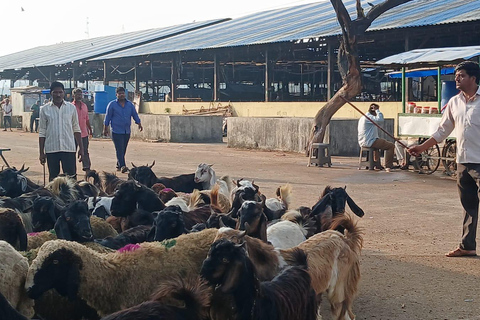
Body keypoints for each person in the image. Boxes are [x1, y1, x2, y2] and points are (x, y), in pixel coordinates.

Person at [409, 61, 480, 257]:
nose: (457, 78)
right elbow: (442, 131)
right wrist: (422, 148)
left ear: (473, 79)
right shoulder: (454, 102)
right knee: (469, 206)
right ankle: (467, 246)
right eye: (456, 75)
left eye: (462, 75)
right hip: (463, 162)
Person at [38, 82, 84, 181]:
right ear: (51, 93)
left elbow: (76, 128)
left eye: (60, 92)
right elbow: (42, 132)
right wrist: (41, 152)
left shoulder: (71, 108)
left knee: (71, 178)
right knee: (53, 179)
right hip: (51, 149)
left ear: (64, 93)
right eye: (55, 92)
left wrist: (81, 148)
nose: (58, 95)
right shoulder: (44, 109)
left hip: (69, 148)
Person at [103, 87, 143, 173]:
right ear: (116, 95)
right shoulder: (112, 105)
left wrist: (139, 123)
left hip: (126, 131)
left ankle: (119, 164)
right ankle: (122, 166)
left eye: (123, 93)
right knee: (119, 149)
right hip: (116, 131)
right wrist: (105, 129)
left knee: (123, 149)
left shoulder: (130, 105)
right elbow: (107, 117)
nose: (121, 95)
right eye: (119, 93)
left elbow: (134, 115)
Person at [357, 103, 395, 172]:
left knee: (378, 146)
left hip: (364, 141)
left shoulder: (363, 117)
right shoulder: (369, 117)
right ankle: (388, 165)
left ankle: (377, 165)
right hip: (370, 141)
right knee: (391, 146)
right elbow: (380, 119)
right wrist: (377, 110)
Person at [72, 88, 92, 172]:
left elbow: (86, 119)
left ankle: (86, 167)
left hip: (84, 133)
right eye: (77, 94)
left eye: (80, 94)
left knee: (85, 151)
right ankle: (72, 169)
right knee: (72, 152)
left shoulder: (84, 106)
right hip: (72, 134)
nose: (79, 96)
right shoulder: (70, 106)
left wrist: (90, 129)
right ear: (73, 95)